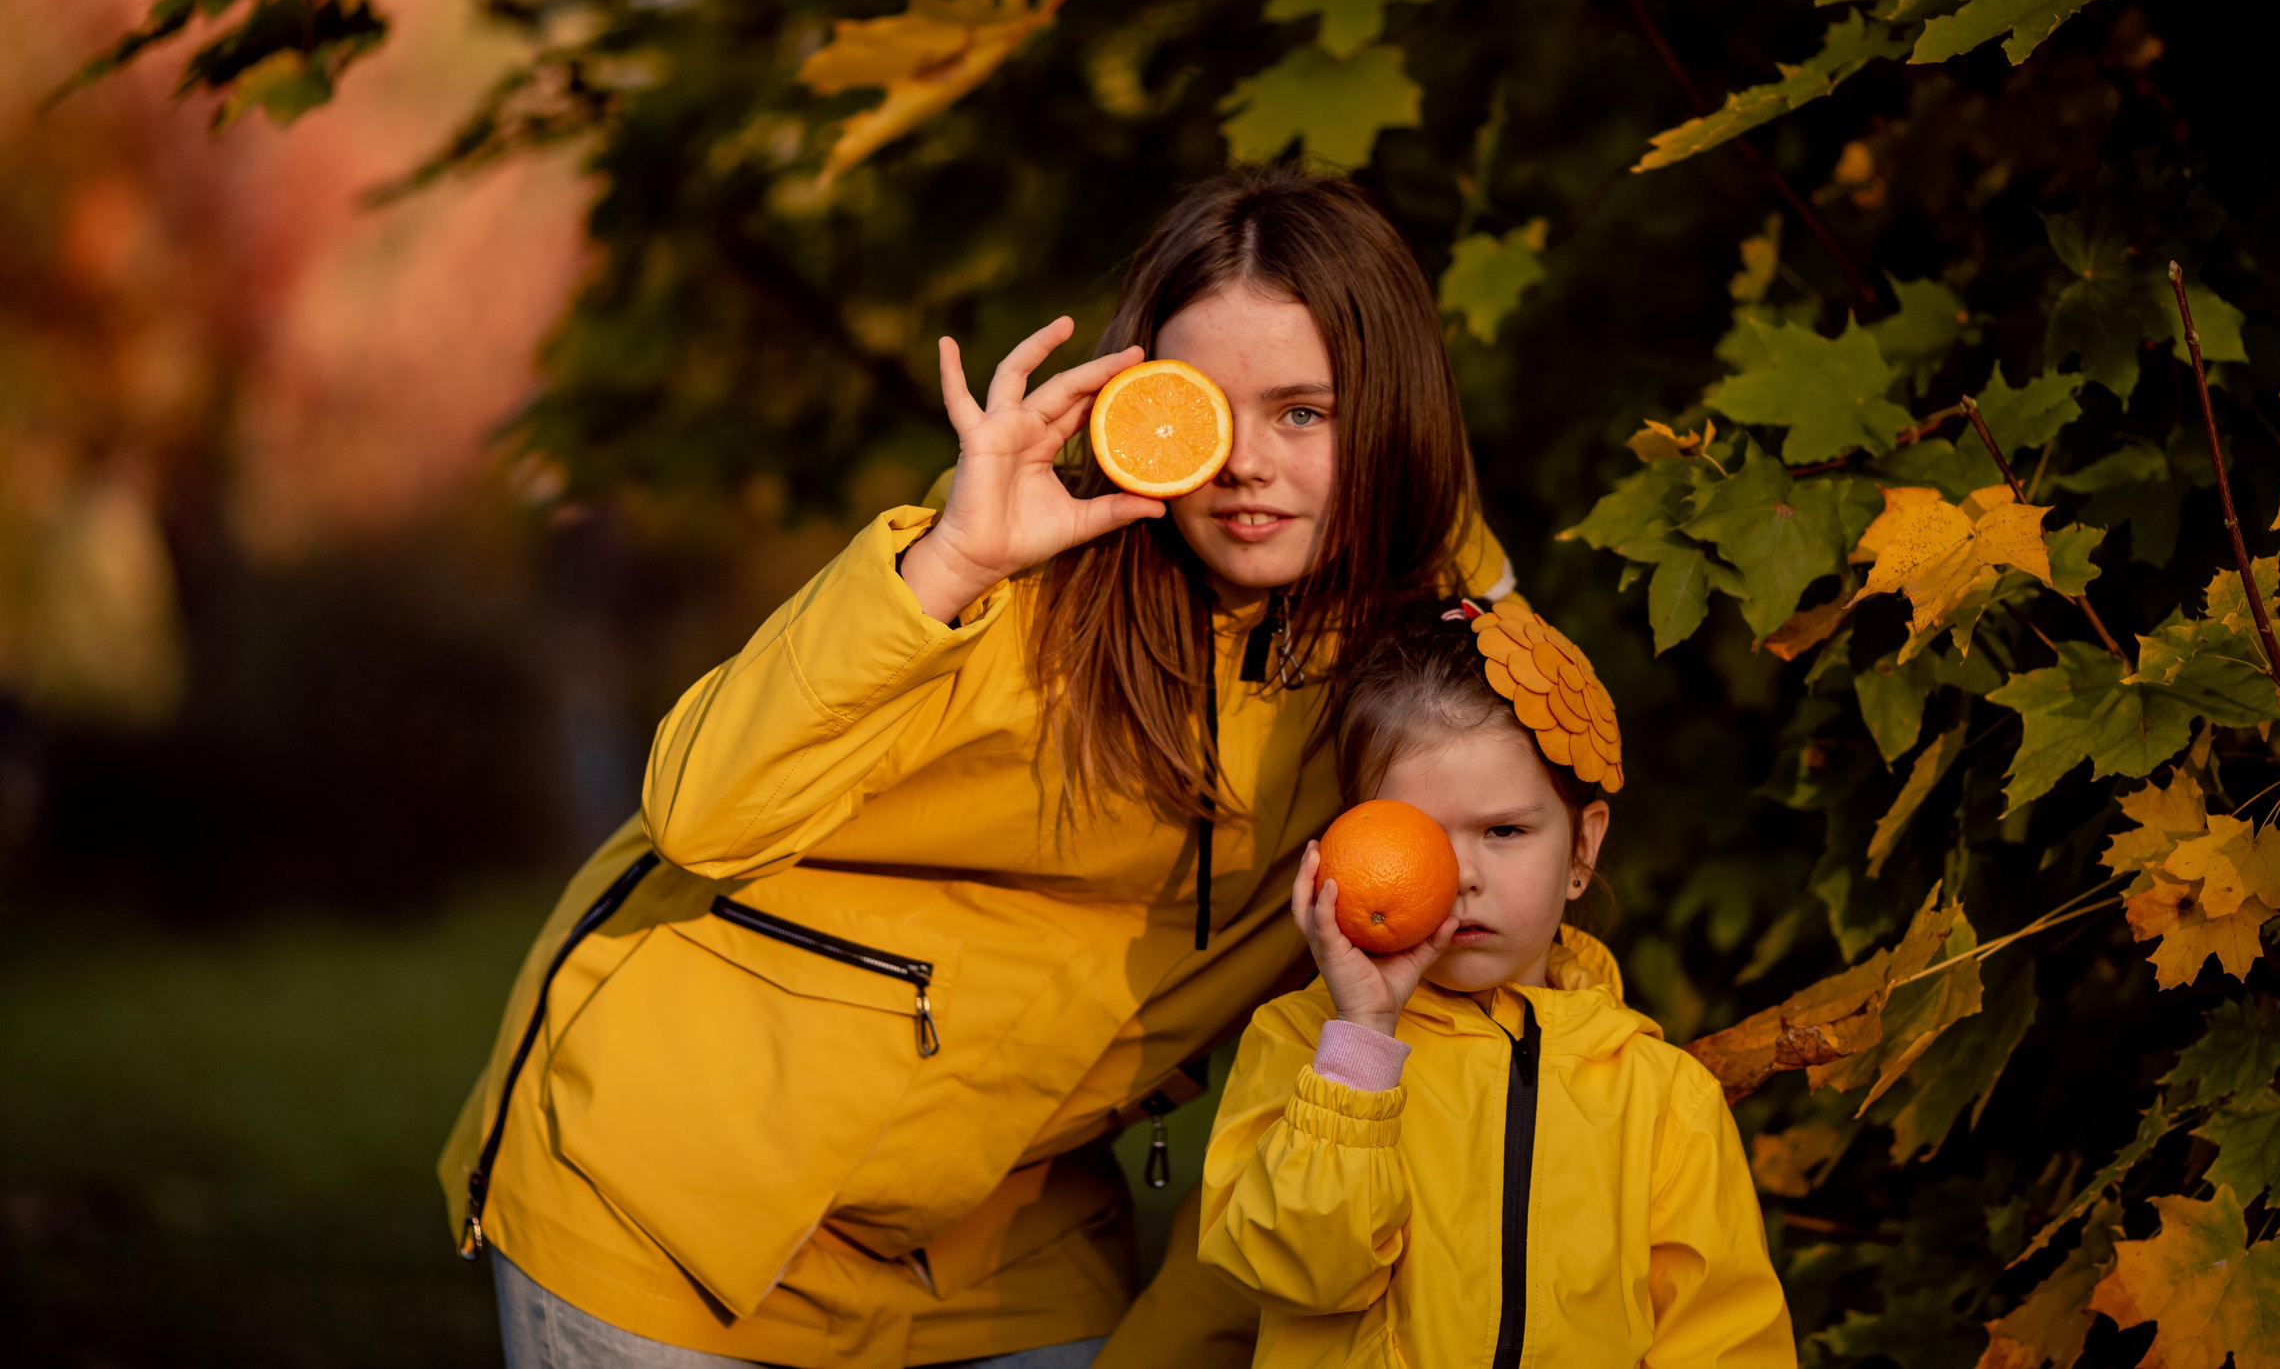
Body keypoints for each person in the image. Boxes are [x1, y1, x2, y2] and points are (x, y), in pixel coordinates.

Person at [435, 165, 1517, 1368]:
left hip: (1009, 1237)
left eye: (1304, 413)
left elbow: (1523, 835)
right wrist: (949, 563)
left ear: (1389, 418)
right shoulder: (1009, 581)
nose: (1244, 464)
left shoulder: (1421, 650)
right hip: (674, 1202)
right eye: (1202, 408)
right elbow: (698, 814)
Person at [1192, 600, 1795, 1367]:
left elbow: (1727, 1345)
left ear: (1583, 847)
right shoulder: (1307, 1048)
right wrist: (1362, 1045)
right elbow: (1295, 1273)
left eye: (1503, 831)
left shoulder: (1662, 1100)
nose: (1462, 876)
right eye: (1415, 834)